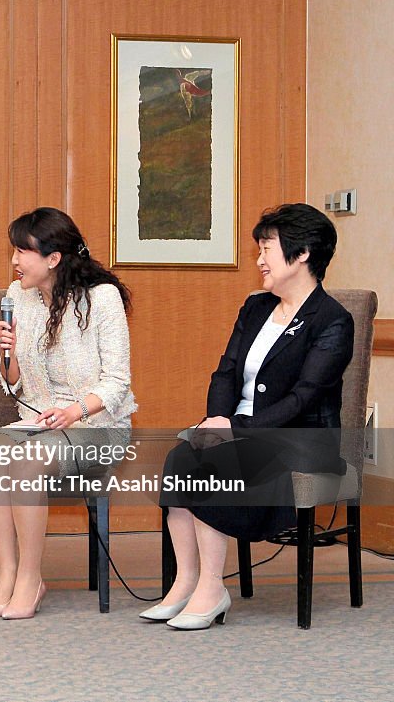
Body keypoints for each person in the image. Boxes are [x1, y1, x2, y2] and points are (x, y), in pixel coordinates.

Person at [144, 203, 353, 630]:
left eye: (267, 248)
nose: (258, 260)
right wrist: (217, 421)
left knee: (215, 463)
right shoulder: (256, 308)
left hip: (299, 442)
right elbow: (225, 372)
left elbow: (304, 399)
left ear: (302, 254)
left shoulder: (332, 321)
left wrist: (235, 430)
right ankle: (186, 581)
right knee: (181, 458)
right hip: (243, 433)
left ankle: (211, 588)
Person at [0, 207, 136, 620]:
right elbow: (14, 385)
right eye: (12, 251)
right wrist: (5, 354)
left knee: (27, 462)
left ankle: (31, 578)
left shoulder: (102, 298)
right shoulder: (17, 297)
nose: (14, 261)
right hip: (38, 421)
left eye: (22, 251)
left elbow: (117, 382)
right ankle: (8, 572)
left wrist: (72, 411)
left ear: (53, 258)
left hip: (99, 425)